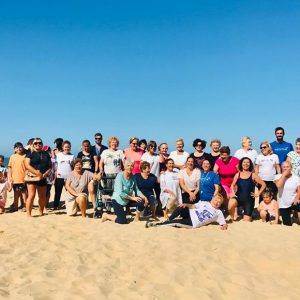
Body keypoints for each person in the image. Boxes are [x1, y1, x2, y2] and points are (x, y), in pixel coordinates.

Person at [101, 159, 148, 224]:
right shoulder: (120, 176)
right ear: (125, 167)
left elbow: (137, 190)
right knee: (122, 221)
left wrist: (144, 197)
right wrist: (133, 198)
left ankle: (136, 218)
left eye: (131, 166)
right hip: (118, 200)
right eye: (128, 165)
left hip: (127, 200)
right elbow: (120, 193)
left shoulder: (132, 177)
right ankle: (107, 216)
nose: (130, 167)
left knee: (142, 201)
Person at [146, 194, 228, 230]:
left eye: (219, 202)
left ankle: (156, 225)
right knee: (181, 206)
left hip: (193, 222)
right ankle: (169, 219)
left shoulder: (218, 212)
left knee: (175, 223)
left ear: (220, 204)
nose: (217, 202)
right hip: (190, 213)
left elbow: (224, 223)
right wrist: (186, 204)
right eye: (216, 199)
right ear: (212, 198)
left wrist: (223, 227)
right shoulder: (204, 203)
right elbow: (193, 206)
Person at [229, 157, 266, 222]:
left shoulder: (253, 175)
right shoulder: (237, 175)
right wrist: (233, 192)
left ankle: (250, 215)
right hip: (238, 198)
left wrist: (258, 193)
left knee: (246, 221)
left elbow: (263, 184)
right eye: (244, 162)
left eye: (248, 162)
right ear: (241, 164)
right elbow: (232, 185)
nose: (246, 164)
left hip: (249, 201)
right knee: (231, 203)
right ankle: (232, 217)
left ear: (250, 164)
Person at [24, 138, 52, 217]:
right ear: (33, 144)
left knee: (42, 197)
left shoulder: (46, 153)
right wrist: (37, 173)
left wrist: (46, 173)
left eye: (40, 143)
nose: (38, 144)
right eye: (36, 143)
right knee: (31, 196)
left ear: (42, 144)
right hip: (32, 178)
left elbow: (50, 165)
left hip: (43, 178)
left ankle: (41, 212)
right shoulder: (30, 153)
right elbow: (27, 165)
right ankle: (28, 214)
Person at [274, 161, 300, 226]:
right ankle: (292, 219)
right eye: (284, 167)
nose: (285, 168)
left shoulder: (296, 178)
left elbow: (299, 190)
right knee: (287, 224)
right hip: (283, 204)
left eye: (287, 167)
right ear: (281, 168)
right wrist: (284, 175)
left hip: (294, 202)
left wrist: (297, 198)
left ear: (291, 168)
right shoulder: (277, 177)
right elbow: (278, 185)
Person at [53, 140, 75, 210]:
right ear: (62, 147)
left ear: (70, 148)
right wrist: (54, 178)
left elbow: (73, 167)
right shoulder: (58, 155)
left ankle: (70, 205)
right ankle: (55, 206)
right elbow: (55, 167)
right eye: (65, 147)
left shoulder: (72, 156)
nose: (67, 149)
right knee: (58, 192)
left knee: (70, 192)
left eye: (68, 147)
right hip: (59, 176)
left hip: (69, 177)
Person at [7, 143, 27, 212]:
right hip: (14, 179)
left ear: (23, 148)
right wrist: (9, 177)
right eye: (17, 148)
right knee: (16, 193)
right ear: (14, 149)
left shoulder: (25, 156)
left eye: (20, 147)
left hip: (23, 178)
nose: (18, 149)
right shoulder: (12, 156)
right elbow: (10, 168)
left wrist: (26, 176)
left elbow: (27, 168)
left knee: (23, 193)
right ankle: (15, 206)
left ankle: (25, 206)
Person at [42, 145, 56, 212]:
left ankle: (45, 205)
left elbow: (55, 169)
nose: (46, 152)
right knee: (44, 192)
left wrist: (54, 179)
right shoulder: (42, 157)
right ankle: (44, 206)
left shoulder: (52, 159)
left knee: (47, 192)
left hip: (50, 178)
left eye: (47, 150)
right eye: (45, 151)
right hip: (43, 177)